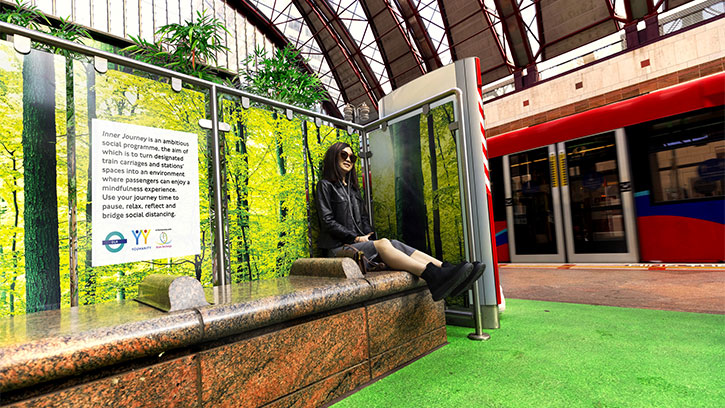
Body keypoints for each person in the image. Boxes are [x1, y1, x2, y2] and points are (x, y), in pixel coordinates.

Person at [316, 142, 484, 301]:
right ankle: (432, 276)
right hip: (337, 249)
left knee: (394, 242)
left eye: (352, 157)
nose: (348, 159)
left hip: (357, 245)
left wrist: (367, 233)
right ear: (334, 157)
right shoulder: (325, 185)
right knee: (382, 244)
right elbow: (327, 220)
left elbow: (364, 218)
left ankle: (446, 269)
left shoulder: (352, 189)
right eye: (343, 154)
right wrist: (356, 237)